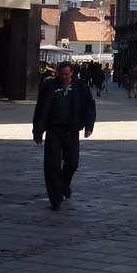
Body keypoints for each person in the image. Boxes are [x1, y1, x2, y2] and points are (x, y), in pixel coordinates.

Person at [31, 61, 96, 210]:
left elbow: (89, 107)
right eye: (62, 74)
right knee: (52, 165)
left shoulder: (80, 88)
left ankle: (64, 184)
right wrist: (38, 131)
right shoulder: (49, 88)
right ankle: (56, 199)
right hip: (53, 130)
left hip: (71, 130)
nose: (64, 77)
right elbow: (40, 110)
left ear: (72, 72)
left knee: (72, 163)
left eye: (67, 74)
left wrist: (89, 126)